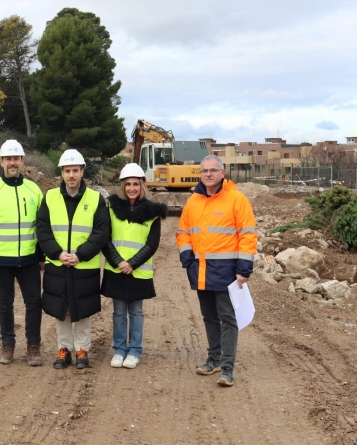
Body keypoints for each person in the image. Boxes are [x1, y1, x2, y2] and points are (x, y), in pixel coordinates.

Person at [176, 155, 257, 386]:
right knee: (209, 317)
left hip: (226, 272)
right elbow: (182, 232)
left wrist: (243, 269)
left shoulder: (237, 200)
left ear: (223, 173)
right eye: (204, 171)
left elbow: (248, 234)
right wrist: (187, 259)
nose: (208, 174)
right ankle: (213, 359)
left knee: (228, 319)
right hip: (201, 271)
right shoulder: (193, 201)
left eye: (213, 170)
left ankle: (227, 368)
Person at [36, 149, 110, 370]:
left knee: (83, 309)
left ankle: (82, 349)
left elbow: (101, 232)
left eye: (75, 170)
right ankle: (64, 349)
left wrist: (80, 255)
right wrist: (58, 254)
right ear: (62, 173)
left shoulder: (95, 199)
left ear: (82, 171)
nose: (71, 175)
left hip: (83, 265)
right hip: (58, 263)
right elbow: (43, 230)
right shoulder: (50, 197)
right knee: (61, 309)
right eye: (67, 171)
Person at [0, 140, 45, 366]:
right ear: (1, 161)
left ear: (22, 161)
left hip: (30, 259)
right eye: (8, 159)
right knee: (5, 304)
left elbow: (42, 226)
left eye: (16, 159)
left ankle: (33, 346)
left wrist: (42, 255)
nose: (12, 162)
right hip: (0, 260)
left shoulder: (34, 189)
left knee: (34, 303)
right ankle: (8, 345)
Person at [101, 163, 167, 369]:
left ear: (142, 186)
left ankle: (135, 350)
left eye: (135, 184)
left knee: (136, 312)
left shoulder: (152, 212)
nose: (132, 188)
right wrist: (119, 262)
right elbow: (105, 239)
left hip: (138, 271)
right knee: (119, 312)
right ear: (123, 186)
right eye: (128, 184)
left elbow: (152, 243)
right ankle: (120, 349)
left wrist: (132, 263)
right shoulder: (112, 209)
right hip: (117, 269)